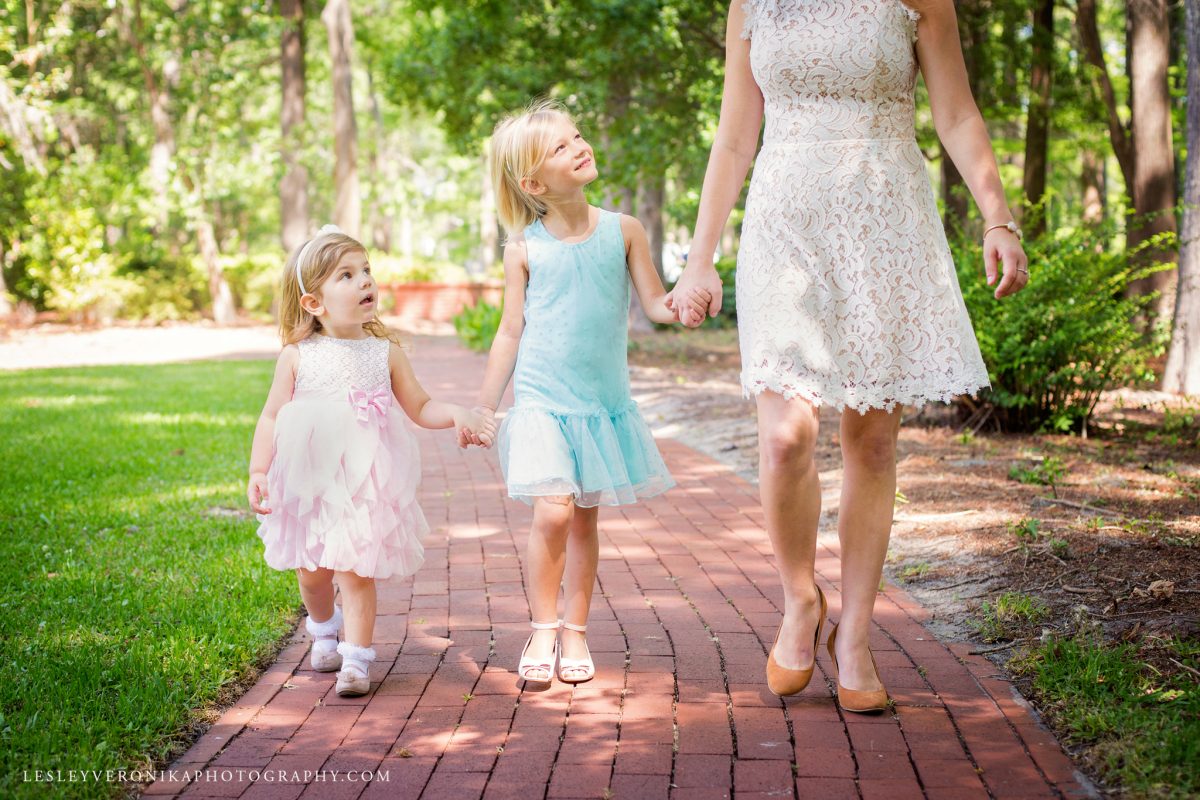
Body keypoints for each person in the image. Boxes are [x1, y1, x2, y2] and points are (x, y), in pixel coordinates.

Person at [667, 0, 1029, 711]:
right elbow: (736, 136)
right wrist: (699, 259)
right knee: (783, 438)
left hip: (883, 218)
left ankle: (857, 635)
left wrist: (998, 216)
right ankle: (802, 599)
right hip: (784, 221)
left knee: (871, 442)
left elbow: (956, 113)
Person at [468, 101, 710, 684]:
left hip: (600, 406)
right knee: (553, 509)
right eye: (560, 147)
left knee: (583, 520)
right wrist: (484, 404)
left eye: (577, 135)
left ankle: (575, 630)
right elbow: (510, 330)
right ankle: (543, 627)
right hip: (543, 402)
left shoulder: (624, 231)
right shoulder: (523, 248)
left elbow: (652, 303)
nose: (579, 146)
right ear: (532, 182)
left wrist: (683, 304)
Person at [247, 225, 496, 697]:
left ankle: (356, 662)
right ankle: (322, 628)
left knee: (355, 569)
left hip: (365, 483)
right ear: (313, 303)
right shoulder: (297, 356)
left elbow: (420, 408)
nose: (365, 282)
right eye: (346, 275)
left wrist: (458, 413)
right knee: (312, 572)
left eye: (367, 271)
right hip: (311, 482)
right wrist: (259, 470)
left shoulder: (386, 353)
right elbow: (272, 416)